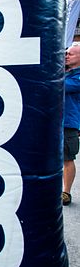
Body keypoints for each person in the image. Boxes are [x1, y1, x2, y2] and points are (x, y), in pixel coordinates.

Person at [63, 45, 80, 206]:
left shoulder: (77, 77)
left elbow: (62, 87)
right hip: (53, 122)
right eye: (66, 53)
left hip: (68, 123)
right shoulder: (65, 73)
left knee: (67, 158)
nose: (66, 56)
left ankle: (66, 192)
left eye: (70, 54)